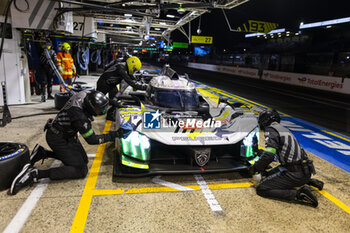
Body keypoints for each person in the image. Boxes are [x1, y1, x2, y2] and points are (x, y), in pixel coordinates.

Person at [9, 90, 132, 195]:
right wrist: (116, 134)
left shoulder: (85, 94)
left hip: (67, 134)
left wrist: (114, 103)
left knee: (83, 160)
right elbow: (92, 140)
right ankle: (34, 174)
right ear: (91, 107)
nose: (103, 112)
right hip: (58, 138)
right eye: (100, 110)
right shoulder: (79, 116)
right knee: (80, 170)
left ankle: (43, 153)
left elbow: (97, 97)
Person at [249, 109, 324, 207]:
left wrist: (255, 168)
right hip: (305, 170)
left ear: (265, 120)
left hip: (293, 173)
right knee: (269, 175)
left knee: (262, 188)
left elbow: (269, 155)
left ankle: (299, 194)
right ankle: (308, 181)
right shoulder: (283, 129)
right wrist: (262, 154)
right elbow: (282, 154)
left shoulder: (271, 129)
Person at [96, 56, 147, 120]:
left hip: (111, 84)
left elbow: (133, 79)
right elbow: (131, 82)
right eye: (134, 69)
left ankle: (110, 115)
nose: (134, 71)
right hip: (103, 83)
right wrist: (145, 87)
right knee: (98, 101)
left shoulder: (126, 68)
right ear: (132, 65)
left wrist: (139, 83)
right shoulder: (121, 68)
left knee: (115, 100)